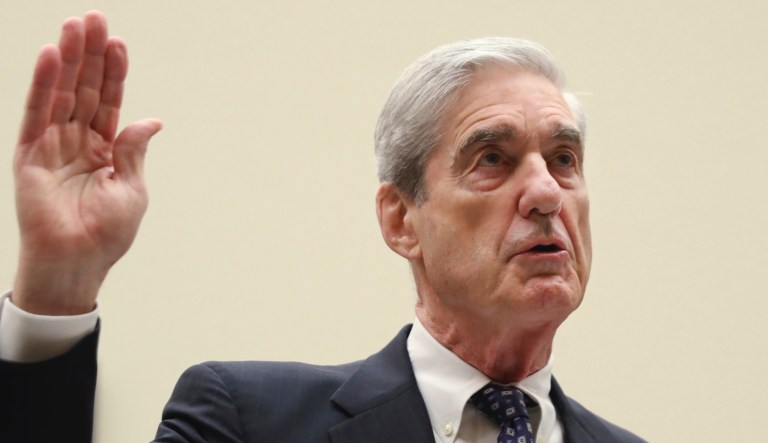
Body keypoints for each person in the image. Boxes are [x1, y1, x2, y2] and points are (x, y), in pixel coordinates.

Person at [0, 10, 645, 443]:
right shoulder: (249, 419)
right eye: (492, 160)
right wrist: (57, 288)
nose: (544, 192)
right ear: (402, 221)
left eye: (564, 160)